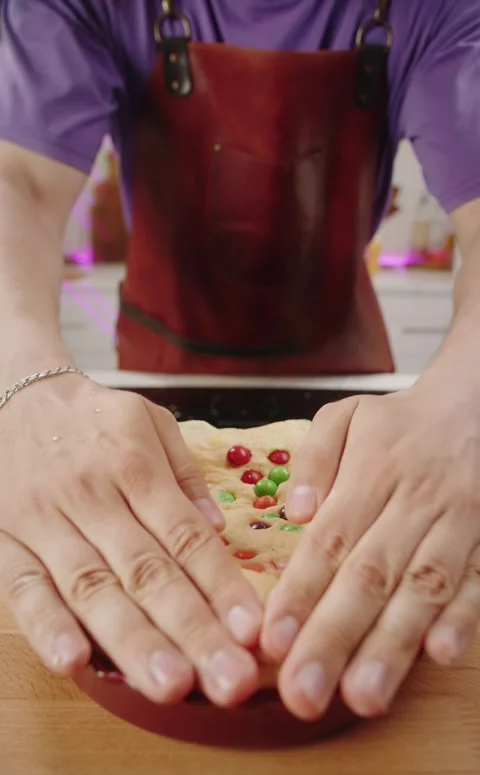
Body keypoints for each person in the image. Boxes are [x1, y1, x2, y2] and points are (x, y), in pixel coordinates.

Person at [0, 0, 479, 723]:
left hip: (348, 371)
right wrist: (20, 382)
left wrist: (469, 392)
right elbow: (18, 181)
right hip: (161, 362)